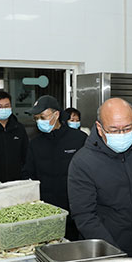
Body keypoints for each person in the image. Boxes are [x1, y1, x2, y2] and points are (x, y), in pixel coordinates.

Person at [67, 98, 132, 257]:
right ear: (100, 128)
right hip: (103, 251)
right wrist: (112, 252)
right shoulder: (83, 162)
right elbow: (84, 216)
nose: (122, 134)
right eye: (114, 130)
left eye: (127, 128)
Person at [22, 95, 87, 240]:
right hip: (46, 212)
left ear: (56, 114)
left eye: (42, 117)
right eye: (36, 118)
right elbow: (28, 174)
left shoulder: (79, 139)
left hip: (75, 212)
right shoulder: (35, 144)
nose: (39, 121)